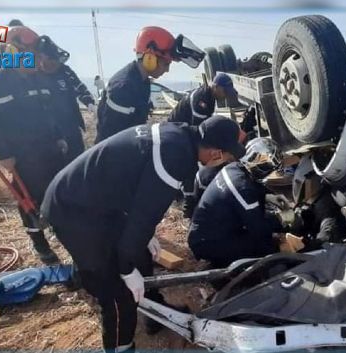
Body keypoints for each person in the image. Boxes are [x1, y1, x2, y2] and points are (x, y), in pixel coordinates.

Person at [40, 116, 245, 352]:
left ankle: (153, 314)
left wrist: (142, 239)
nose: (223, 162)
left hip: (99, 201)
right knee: (117, 294)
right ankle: (120, 347)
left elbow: (136, 187)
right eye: (227, 157)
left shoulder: (180, 137)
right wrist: (126, 270)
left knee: (140, 257)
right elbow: (143, 216)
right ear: (216, 153)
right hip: (74, 209)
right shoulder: (174, 157)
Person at [0, 26, 67, 264]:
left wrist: (58, 136)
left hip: (49, 150)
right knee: (29, 201)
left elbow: (48, 112)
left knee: (56, 192)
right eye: (33, 55)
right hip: (23, 156)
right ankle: (40, 244)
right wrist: (3, 152)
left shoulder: (39, 79)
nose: (38, 60)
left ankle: (61, 230)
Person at [188, 137, 290, 267]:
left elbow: (250, 188)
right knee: (267, 246)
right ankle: (223, 270)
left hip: (204, 232)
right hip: (207, 243)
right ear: (262, 167)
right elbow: (259, 230)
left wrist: (267, 196)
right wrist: (282, 220)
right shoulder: (243, 188)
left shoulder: (233, 168)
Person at [95, 27, 187, 142]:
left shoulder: (143, 82)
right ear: (150, 58)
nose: (167, 70)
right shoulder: (123, 88)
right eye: (166, 63)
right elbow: (113, 138)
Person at [37, 34, 96, 162]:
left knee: (77, 160)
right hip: (49, 130)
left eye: (54, 62)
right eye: (48, 62)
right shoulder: (34, 75)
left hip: (71, 125)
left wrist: (89, 102)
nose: (52, 65)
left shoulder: (65, 71)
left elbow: (79, 87)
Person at [168, 72, 239, 126]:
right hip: (175, 128)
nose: (225, 96)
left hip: (186, 126)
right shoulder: (201, 100)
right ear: (215, 87)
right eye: (225, 92)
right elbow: (199, 131)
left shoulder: (210, 96)